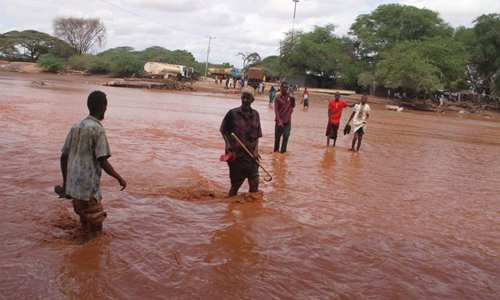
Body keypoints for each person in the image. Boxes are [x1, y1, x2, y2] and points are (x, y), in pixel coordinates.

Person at [59, 91, 127, 239]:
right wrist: (119, 177)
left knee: (84, 222)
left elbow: (63, 156)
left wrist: (65, 181)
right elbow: (102, 161)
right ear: (104, 107)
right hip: (87, 188)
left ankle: (79, 254)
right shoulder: (97, 129)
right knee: (96, 229)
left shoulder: (76, 126)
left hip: (73, 187)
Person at [220, 88, 262, 197]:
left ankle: (251, 211)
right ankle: (230, 209)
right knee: (235, 186)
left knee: (255, 183)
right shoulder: (232, 113)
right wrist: (228, 144)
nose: (245, 100)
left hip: (251, 156)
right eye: (243, 97)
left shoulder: (256, 115)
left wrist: (256, 151)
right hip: (237, 157)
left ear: (252, 100)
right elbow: (223, 130)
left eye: (248, 98)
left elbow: (257, 136)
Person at [274, 81, 295, 153]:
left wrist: (293, 99)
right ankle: (276, 153)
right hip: (279, 121)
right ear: (281, 88)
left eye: (286, 87)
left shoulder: (290, 97)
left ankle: (283, 153)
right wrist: (279, 121)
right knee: (277, 139)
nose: (285, 89)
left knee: (286, 137)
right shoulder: (277, 97)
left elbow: (293, 105)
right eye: (283, 87)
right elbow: (276, 110)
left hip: (287, 121)